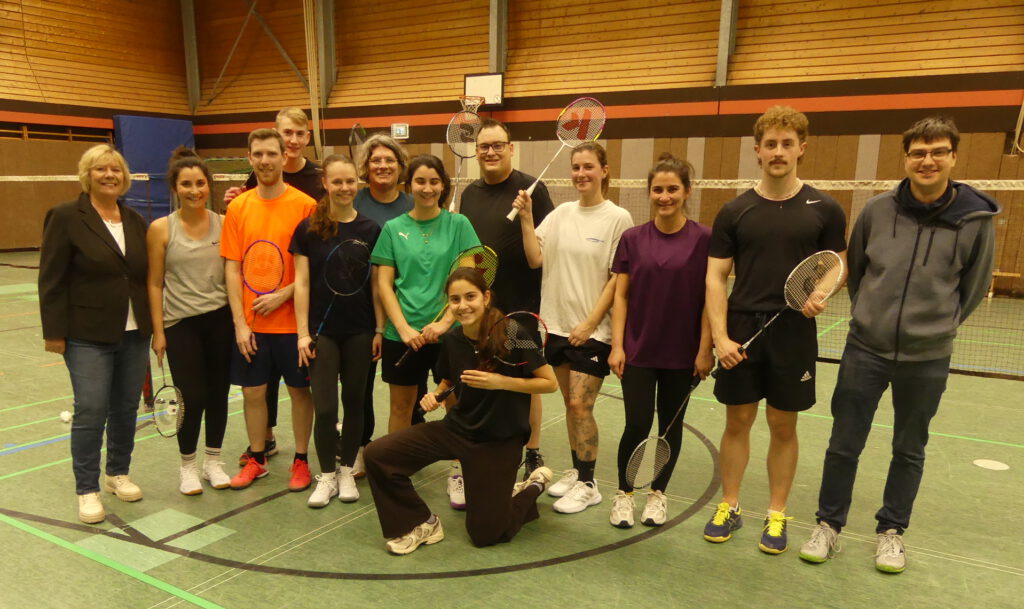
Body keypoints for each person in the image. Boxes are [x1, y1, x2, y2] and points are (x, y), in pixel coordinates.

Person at [798, 116, 999, 573]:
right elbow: (861, 274)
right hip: (865, 349)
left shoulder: (975, 219)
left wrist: (939, 326)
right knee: (844, 443)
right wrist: (874, 318)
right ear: (906, 158)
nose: (927, 160)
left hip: (927, 358)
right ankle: (829, 525)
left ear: (953, 156)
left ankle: (891, 531)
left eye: (937, 152)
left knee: (910, 448)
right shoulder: (876, 211)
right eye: (918, 153)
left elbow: (973, 286)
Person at [703, 106, 847, 554]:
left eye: (787, 143)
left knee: (783, 426)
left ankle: (777, 512)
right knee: (738, 421)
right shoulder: (735, 211)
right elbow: (714, 277)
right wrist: (720, 338)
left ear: (802, 148)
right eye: (771, 144)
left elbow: (837, 265)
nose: (779, 151)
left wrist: (820, 294)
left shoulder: (825, 208)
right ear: (757, 151)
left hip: (793, 334)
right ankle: (730, 504)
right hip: (743, 326)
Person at [364, 267, 557, 555]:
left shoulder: (515, 332)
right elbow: (448, 379)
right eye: (455, 300)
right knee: (377, 455)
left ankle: (532, 487)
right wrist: (436, 395)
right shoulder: (453, 339)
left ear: (486, 296)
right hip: (457, 430)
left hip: (499, 440)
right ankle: (422, 522)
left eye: (470, 297)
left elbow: (549, 383)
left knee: (486, 534)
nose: (463, 305)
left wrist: (501, 382)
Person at [512, 142, 634, 515]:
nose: (581, 174)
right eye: (576, 167)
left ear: (604, 170)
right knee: (569, 404)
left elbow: (618, 278)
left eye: (588, 167)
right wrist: (527, 218)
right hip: (556, 325)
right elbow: (535, 259)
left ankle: (588, 483)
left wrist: (592, 322)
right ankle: (578, 468)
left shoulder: (618, 217)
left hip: (591, 330)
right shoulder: (562, 213)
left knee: (582, 405)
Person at [38, 144, 151, 524]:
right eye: (101, 169)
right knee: (91, 409)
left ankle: (117, 473)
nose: (109, 175)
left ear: (125, 176)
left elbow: (140, 276)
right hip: (87, 334)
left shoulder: (134, 220)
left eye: (116, 170)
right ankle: (87, 489)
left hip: (135, 333)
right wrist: (54, 332)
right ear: (87, 175)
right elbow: (51, 278)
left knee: (125, 408)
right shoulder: (67, 217)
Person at [607, 153, 713, 528]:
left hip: (683, 355)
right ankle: (624, 494)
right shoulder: (633, 239)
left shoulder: (704, 239)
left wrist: (705, 348)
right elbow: (621, 295)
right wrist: (618, 345)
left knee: (670, 427)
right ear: (649, 192)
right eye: (658, 189)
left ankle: (657, 494)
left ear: (686, 192)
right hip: (639, 350)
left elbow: (709, 299)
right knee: (636, 424)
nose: (664, 196)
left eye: (672, 189)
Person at [371, 154, 481, 508]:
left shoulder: (460, 224)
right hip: (401, 336)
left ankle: (460, 472)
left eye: (434, 181)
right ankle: (395, 469)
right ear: (409, 186)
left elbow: (468, 281)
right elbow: (384, 285)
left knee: (453, 403)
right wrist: (402, 328)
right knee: (401, 405)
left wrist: (445, 323)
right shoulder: (392, 229)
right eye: (420, 181)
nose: (427, 188)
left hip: (450, 335)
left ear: (443, 186)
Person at [224, 107, 326, 468]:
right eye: (258, 155)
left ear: (285, 156)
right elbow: (232, 268)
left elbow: (315, 266)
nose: (265, 161)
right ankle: (257, 457)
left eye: (272, 153)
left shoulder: (306, 206)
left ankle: (300, 459)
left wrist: (284, 294)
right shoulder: (238, 207)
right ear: (250, 159)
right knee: (253, 393)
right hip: (252, 325)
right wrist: (239, 323)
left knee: (300, 391)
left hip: (292, 324)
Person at [459, 118, 555, 479]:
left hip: (521, 307)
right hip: (479, 308)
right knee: (483, 375)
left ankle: (532, 451)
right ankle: (487, 442)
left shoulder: (533, 190)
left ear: (511, 148)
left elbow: (543, 248)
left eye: (498, 145)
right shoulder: (469, 194)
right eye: (484, 146)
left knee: (526, 380)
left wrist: (528, 214)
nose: (490, 152)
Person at [292, 154, 383, 507]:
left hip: (360, 330)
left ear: (357, 184)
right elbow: (300, 284)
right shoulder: (308, 229)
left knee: (355, 402)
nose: (345, 188)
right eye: (338, 182)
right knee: (326, 407)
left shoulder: (371, 230)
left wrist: (378, 328)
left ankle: (348, 471)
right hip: (322, 332)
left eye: (350, 181)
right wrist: (302, 333)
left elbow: (377, 285)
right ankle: (327, 475)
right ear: (325, 185)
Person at [146, 147, 233, 495]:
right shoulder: (160, 229)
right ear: (175, 188)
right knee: (191, 397)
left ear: (208, 185)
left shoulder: (225, 224)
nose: (194, 190)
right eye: (186, 184)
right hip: (180, 325)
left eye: (199, 183)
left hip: (220, 321)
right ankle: (188, 466)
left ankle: (213, 461)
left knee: (218, 394)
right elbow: (154, 283)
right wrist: (158, 332)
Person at [350, 133, 416, 476]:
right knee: (360, 385)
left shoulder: (412, 203)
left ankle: (407, 448)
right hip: (359, 307)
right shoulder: (353, 198)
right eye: (375, 160)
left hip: (402, 307)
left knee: (409, 389)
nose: (382, 165)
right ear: (366, 166)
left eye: (389, 160)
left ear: (400, 166)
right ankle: (361, 447)